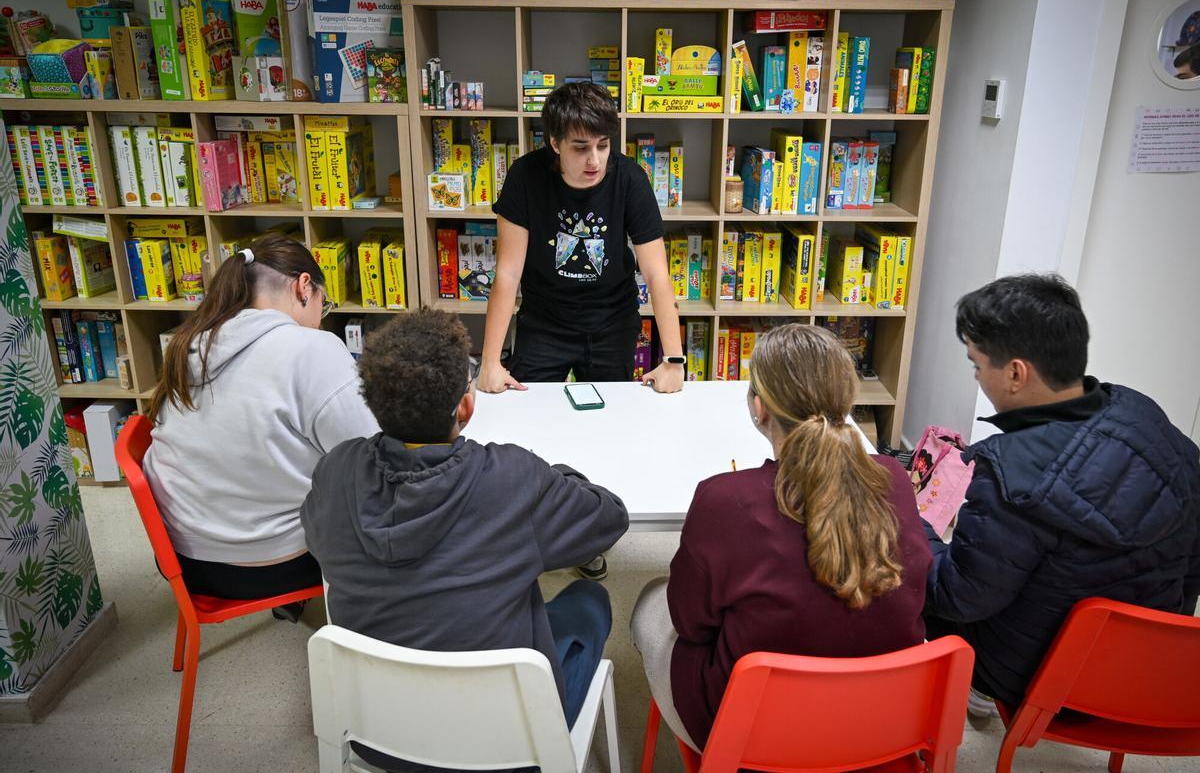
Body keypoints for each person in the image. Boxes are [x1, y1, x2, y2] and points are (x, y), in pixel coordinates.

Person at [301, 309, 629, 771]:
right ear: (465, 407)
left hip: (376, 734)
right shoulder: (513, 477)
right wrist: (552, 476)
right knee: (590, 598)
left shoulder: (335, 471)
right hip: (509, 743)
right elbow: (608, 517)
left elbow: (316, 536)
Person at [631, 323, 932, 751]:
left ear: (759, 406)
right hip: (881, 721)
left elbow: (690, 623)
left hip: (751, 731)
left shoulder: (724, 499)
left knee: (648, 601)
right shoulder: (896, 480)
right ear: (845, 399)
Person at [925, 273, 1200, 715]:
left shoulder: (1010, 476)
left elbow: (957, 597)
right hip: (1151, 667)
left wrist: (912, 527)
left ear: (1016, 373)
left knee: (908, 578)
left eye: (977, 365)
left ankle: (938, 704)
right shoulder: (1142, 413)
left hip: (1046, 680)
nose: (976, 375)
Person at [143, 235, 379, 611]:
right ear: (304, 287)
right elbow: (372, 455)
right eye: (324, 304)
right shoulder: (311, 349)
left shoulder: (190, 345)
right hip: (270, 565)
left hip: (183, 562)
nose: (320, 318)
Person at [479, 82, 685, 397]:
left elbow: (657, 273)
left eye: (603, 145)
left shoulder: (630, 179)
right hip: (544, 323)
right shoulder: (525, 177)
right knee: (528, 415)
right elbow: (507, 274)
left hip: (612, 323)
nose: (595, 161)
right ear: (555, 143)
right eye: (580, 147)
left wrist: (673, 360)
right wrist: (490, 362)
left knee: (609, 421)